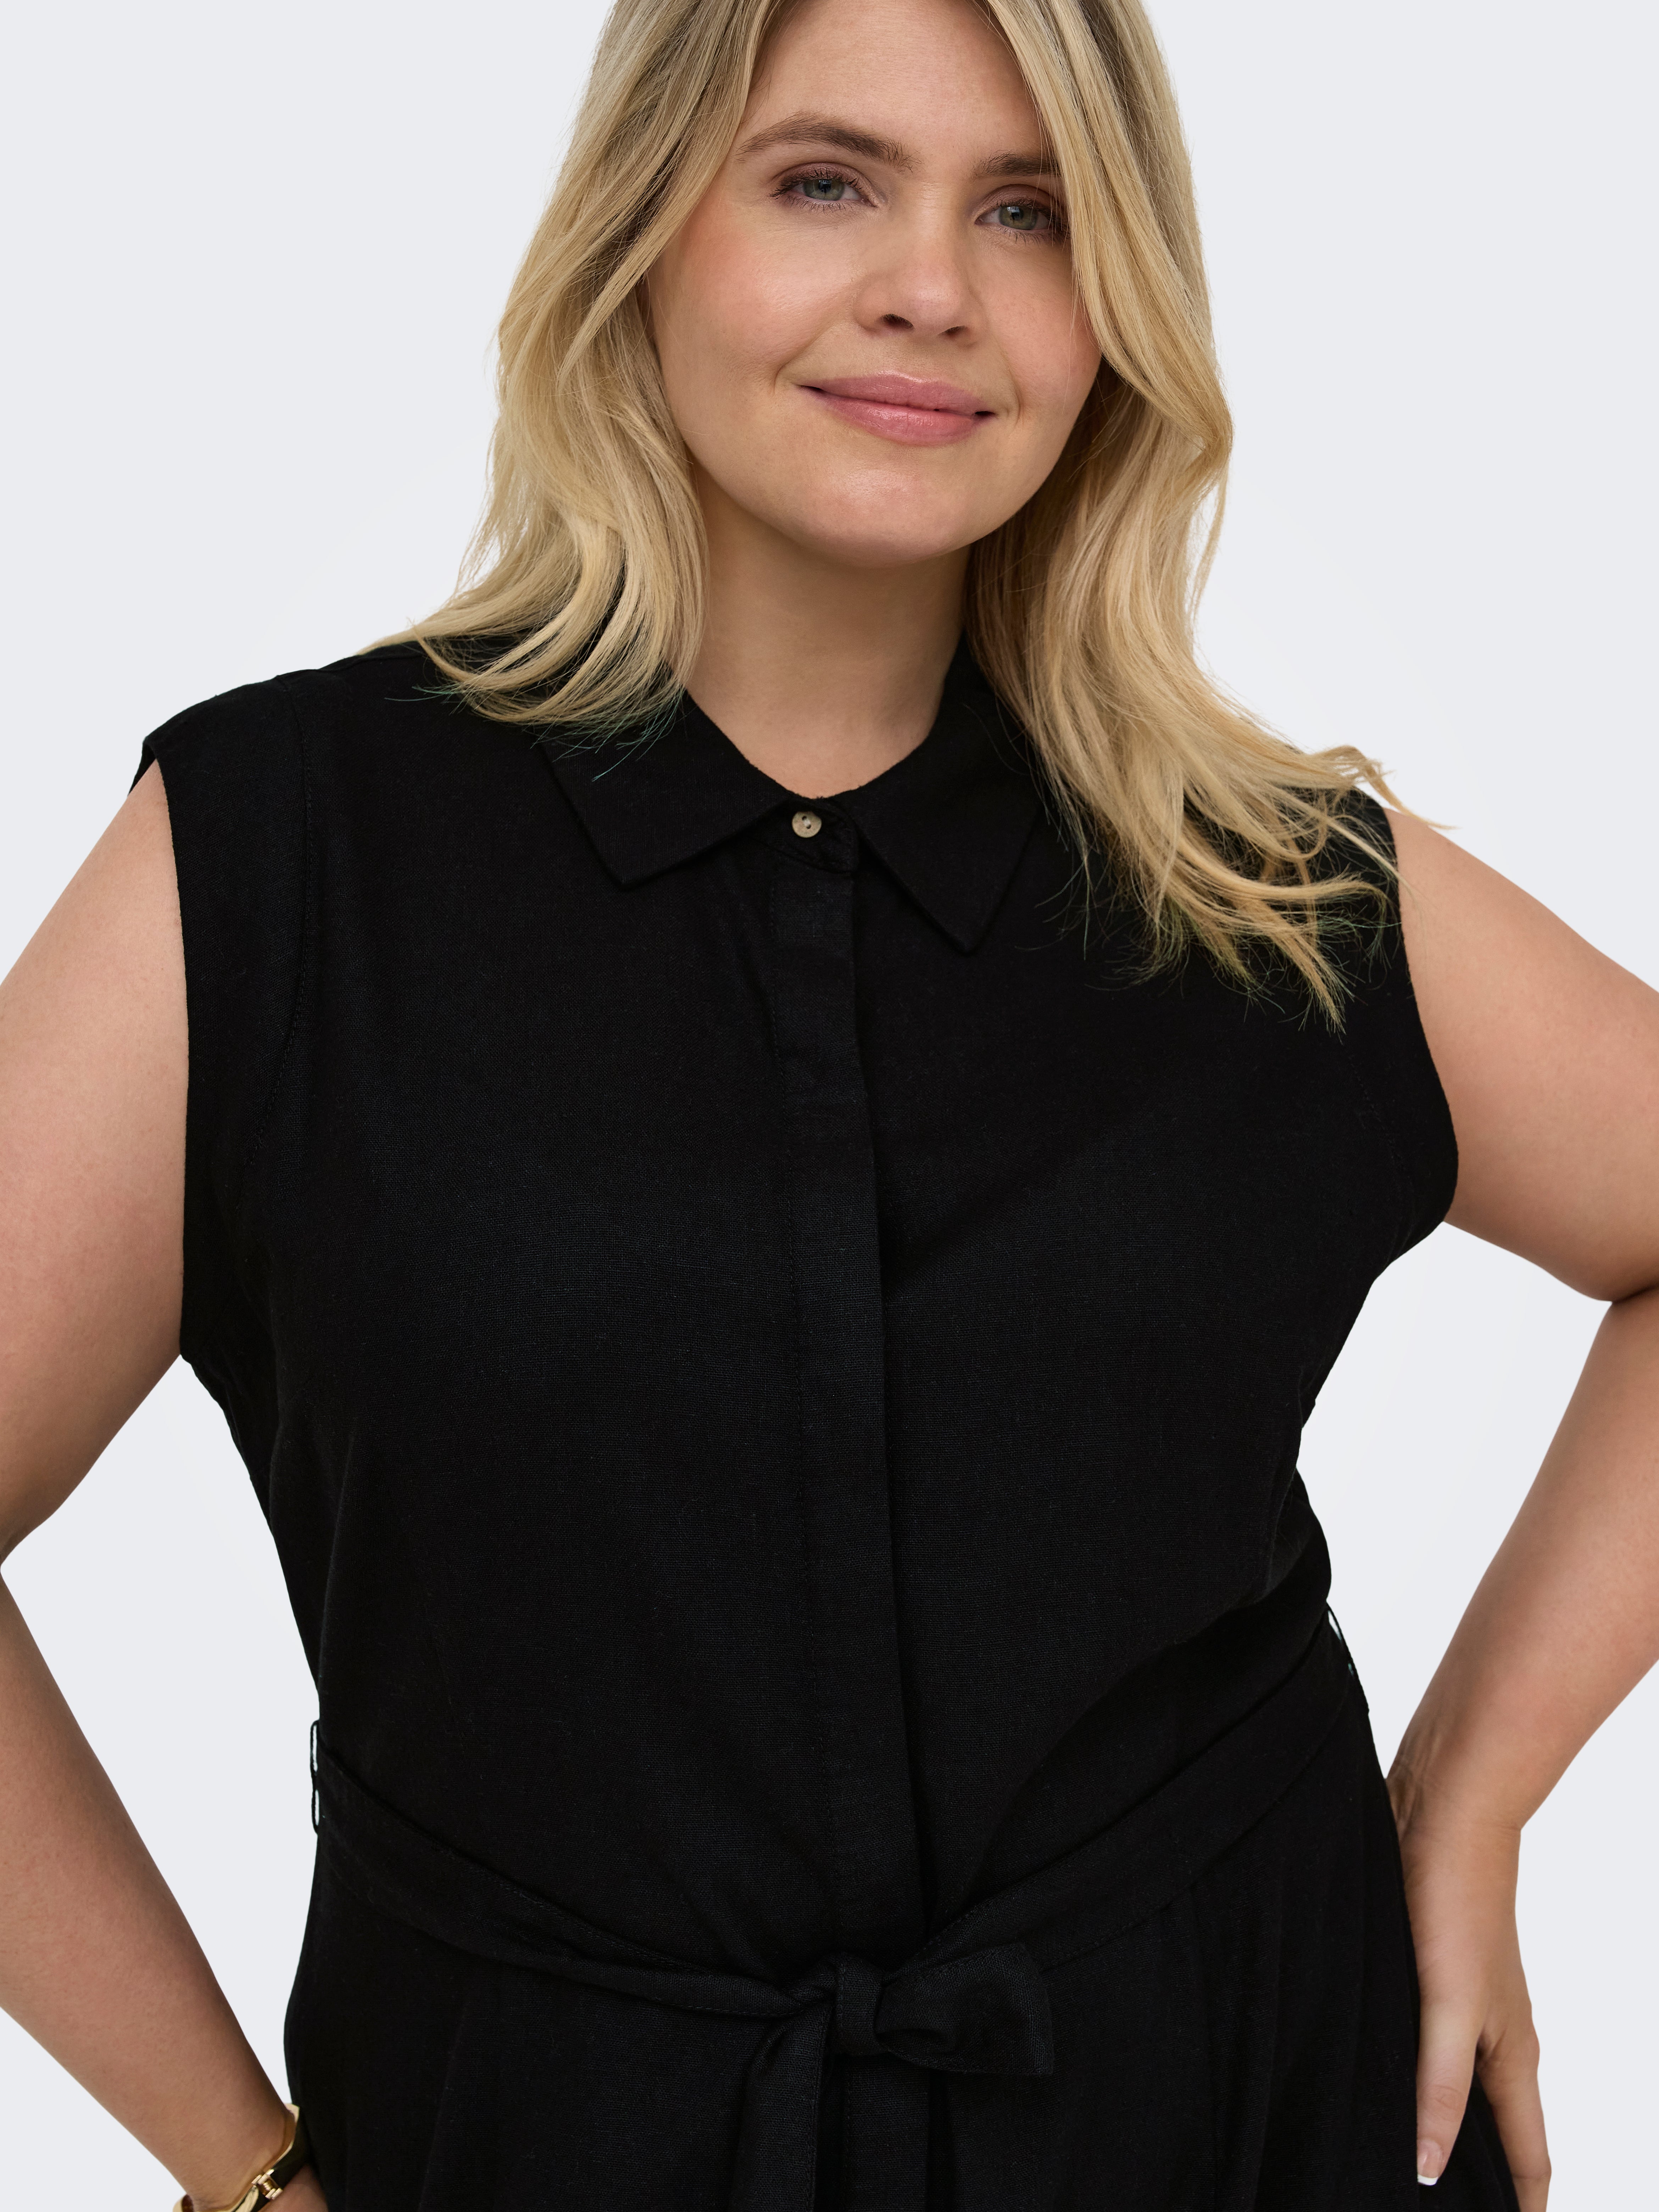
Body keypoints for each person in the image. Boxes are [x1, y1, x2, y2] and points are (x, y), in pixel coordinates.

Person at [1, 0, 1655, 2204]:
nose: (930, 288)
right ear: (638, 236)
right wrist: (236, 2173)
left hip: (1250, 2123)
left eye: (1028, 212)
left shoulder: (1270, 887)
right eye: (822, 181)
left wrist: (1472, 1792)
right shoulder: (282, 858)